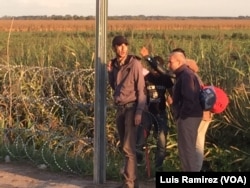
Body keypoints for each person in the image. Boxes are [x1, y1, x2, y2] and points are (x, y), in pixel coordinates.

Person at [107, 35, 147, 188]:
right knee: (125, 146)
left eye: (125, 45)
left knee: (128, 147)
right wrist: (110, 71)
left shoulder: (134, 64)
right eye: (119, 45)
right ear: (114, 48)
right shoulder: (116, 65)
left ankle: (128, 183)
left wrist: (139, 112)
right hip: (120, 108)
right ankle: (132, 182)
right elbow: (115, 87)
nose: (122, 48)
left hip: (132, 107)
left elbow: (141, 90)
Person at [136, 47, 174, 172]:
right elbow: (140, 91)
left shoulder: (165, 78)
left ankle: (159, 168)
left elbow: (172, 92)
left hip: (160, 112)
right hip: (147, 112)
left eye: (157, 69)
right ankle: (138, 165)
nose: (155, 72)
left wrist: (172, 99)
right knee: (140, 140)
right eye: (153, 69)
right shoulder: (146, 77)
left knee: (161, 142)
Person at [167, 48, 203, 171]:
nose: (168, 64)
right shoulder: (183, 75)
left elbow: (189, 98)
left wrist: (182, 116)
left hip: (188, 117)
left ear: (179, 62)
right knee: (185, 150)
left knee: (187, 151)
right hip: (189, 116)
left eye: (170, 62)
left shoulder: (186, 75)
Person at [185, 58, 214, 171]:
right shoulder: (196, 77)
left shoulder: (189, 78)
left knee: (196, 144)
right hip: (205, 114)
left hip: (200, 115)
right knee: (198, 143)